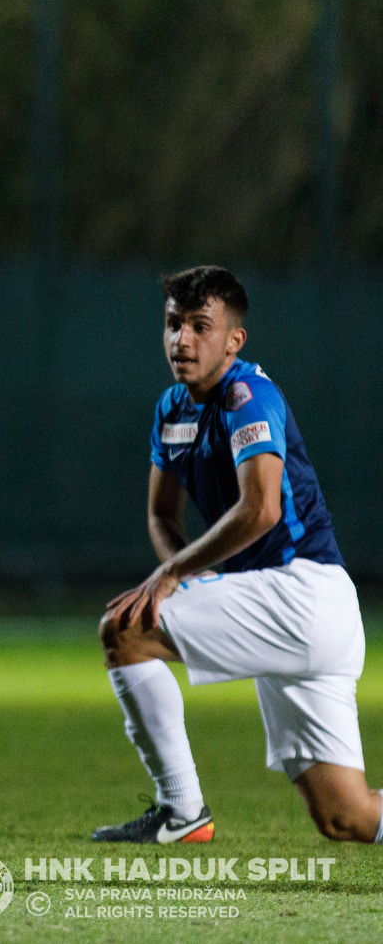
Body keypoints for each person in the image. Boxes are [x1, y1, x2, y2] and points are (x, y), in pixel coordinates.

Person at [94, 265, 379, 844]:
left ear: (234, 340)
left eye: (201, 326)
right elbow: (160, 514)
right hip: (298, 609)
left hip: (301, 596)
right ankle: (183, 813)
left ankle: (181, 811)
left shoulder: (247, 394)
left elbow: (262, 509)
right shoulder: (173, 408)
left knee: (123, 631)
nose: (183, 339)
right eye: (174, 324)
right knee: (347, 818)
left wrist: (174, 574)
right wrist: (185, 577)